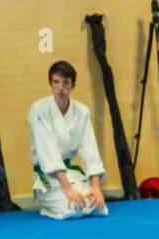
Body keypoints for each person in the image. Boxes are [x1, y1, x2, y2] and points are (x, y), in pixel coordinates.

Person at [28, 61, 108, 219]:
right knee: (70, 209)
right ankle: (48, 205)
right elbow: (48, 151)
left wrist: (96, 187)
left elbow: (90, 149)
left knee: (99, 207)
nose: (61, 88)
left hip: (71, 174)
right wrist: (67, 189)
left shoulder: (82, 111)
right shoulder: (39, 109)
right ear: (50, 84)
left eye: (66, 82)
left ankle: (72, 197)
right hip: (49, 176)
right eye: (56, 82)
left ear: (73, 85)